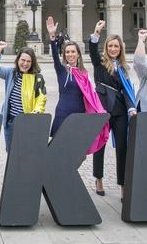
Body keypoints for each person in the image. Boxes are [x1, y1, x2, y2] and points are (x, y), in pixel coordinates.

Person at [46, 16, 109, 155]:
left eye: (73, 51)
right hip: (62, 114)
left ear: (78, 55)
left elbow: (90, 96)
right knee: (57, 152)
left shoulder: (84, 73)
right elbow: (55, 56)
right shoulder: (62, 70)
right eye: (67, 52)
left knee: (74, 154)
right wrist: (52, 37)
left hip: (79, 115)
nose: (70, 54)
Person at [88, 20, 136, 198]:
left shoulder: (123, 67)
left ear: (120, 49)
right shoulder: (99, 63)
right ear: (106, 48)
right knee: (99, 145)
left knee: (123, 148)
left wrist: (131, 108)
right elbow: (93, 49)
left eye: (116, 46)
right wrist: (97, 32)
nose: (113, 49)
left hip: (120, 111)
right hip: (102, 109)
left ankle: (123, 184)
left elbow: (126, 91)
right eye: (110, 46)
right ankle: (98, 179)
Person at [0, 40, 46, 151]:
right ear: (18, 60)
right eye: (23, 60)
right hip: (10, 122)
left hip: (26, 122)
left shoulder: (37, 78)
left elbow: (41, 99)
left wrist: (35, 113)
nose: (25, 64)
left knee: (25, 153)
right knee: (11, 153)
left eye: (28, 61)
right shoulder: (11, 73)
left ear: (32, 63)